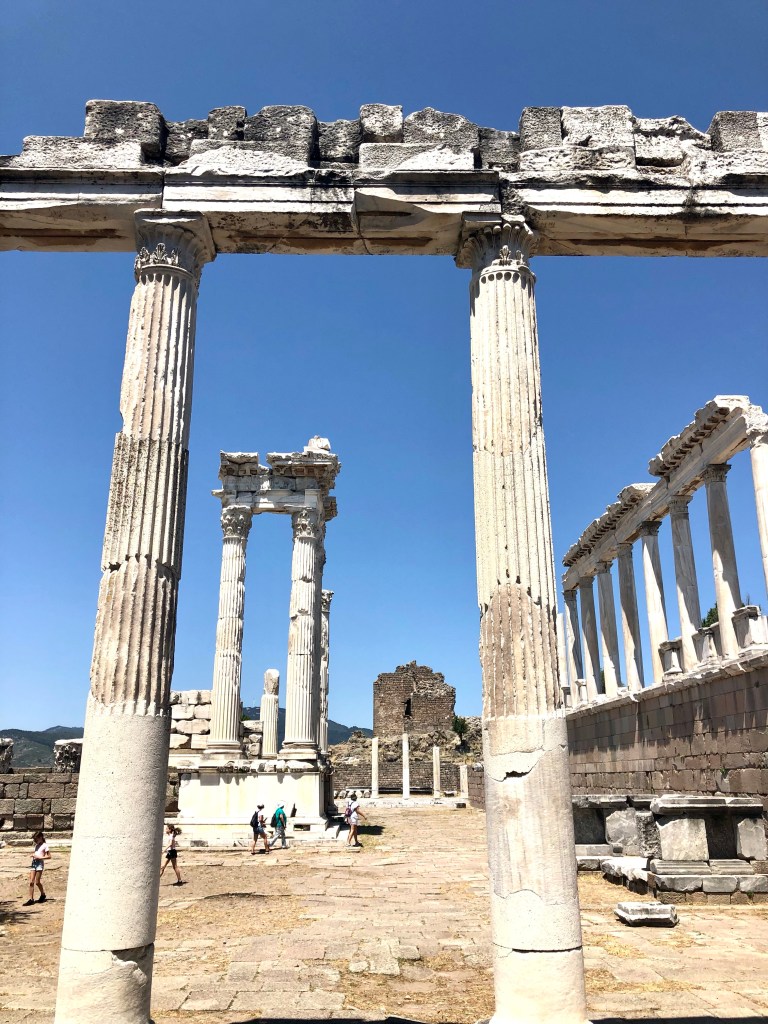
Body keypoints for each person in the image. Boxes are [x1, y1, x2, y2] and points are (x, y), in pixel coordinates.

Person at [23, 831, 50, 906]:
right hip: (34, 863)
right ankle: (31, 899)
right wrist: (33, 855)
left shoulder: (45, 845)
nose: (35, 841)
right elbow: (37, 853)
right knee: (31, 882)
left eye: (36, 839)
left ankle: (43, 894)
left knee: (37, 882)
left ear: (40, 837)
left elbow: (49, 856)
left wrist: (40, 857)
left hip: (39, 864)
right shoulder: (36, 846)